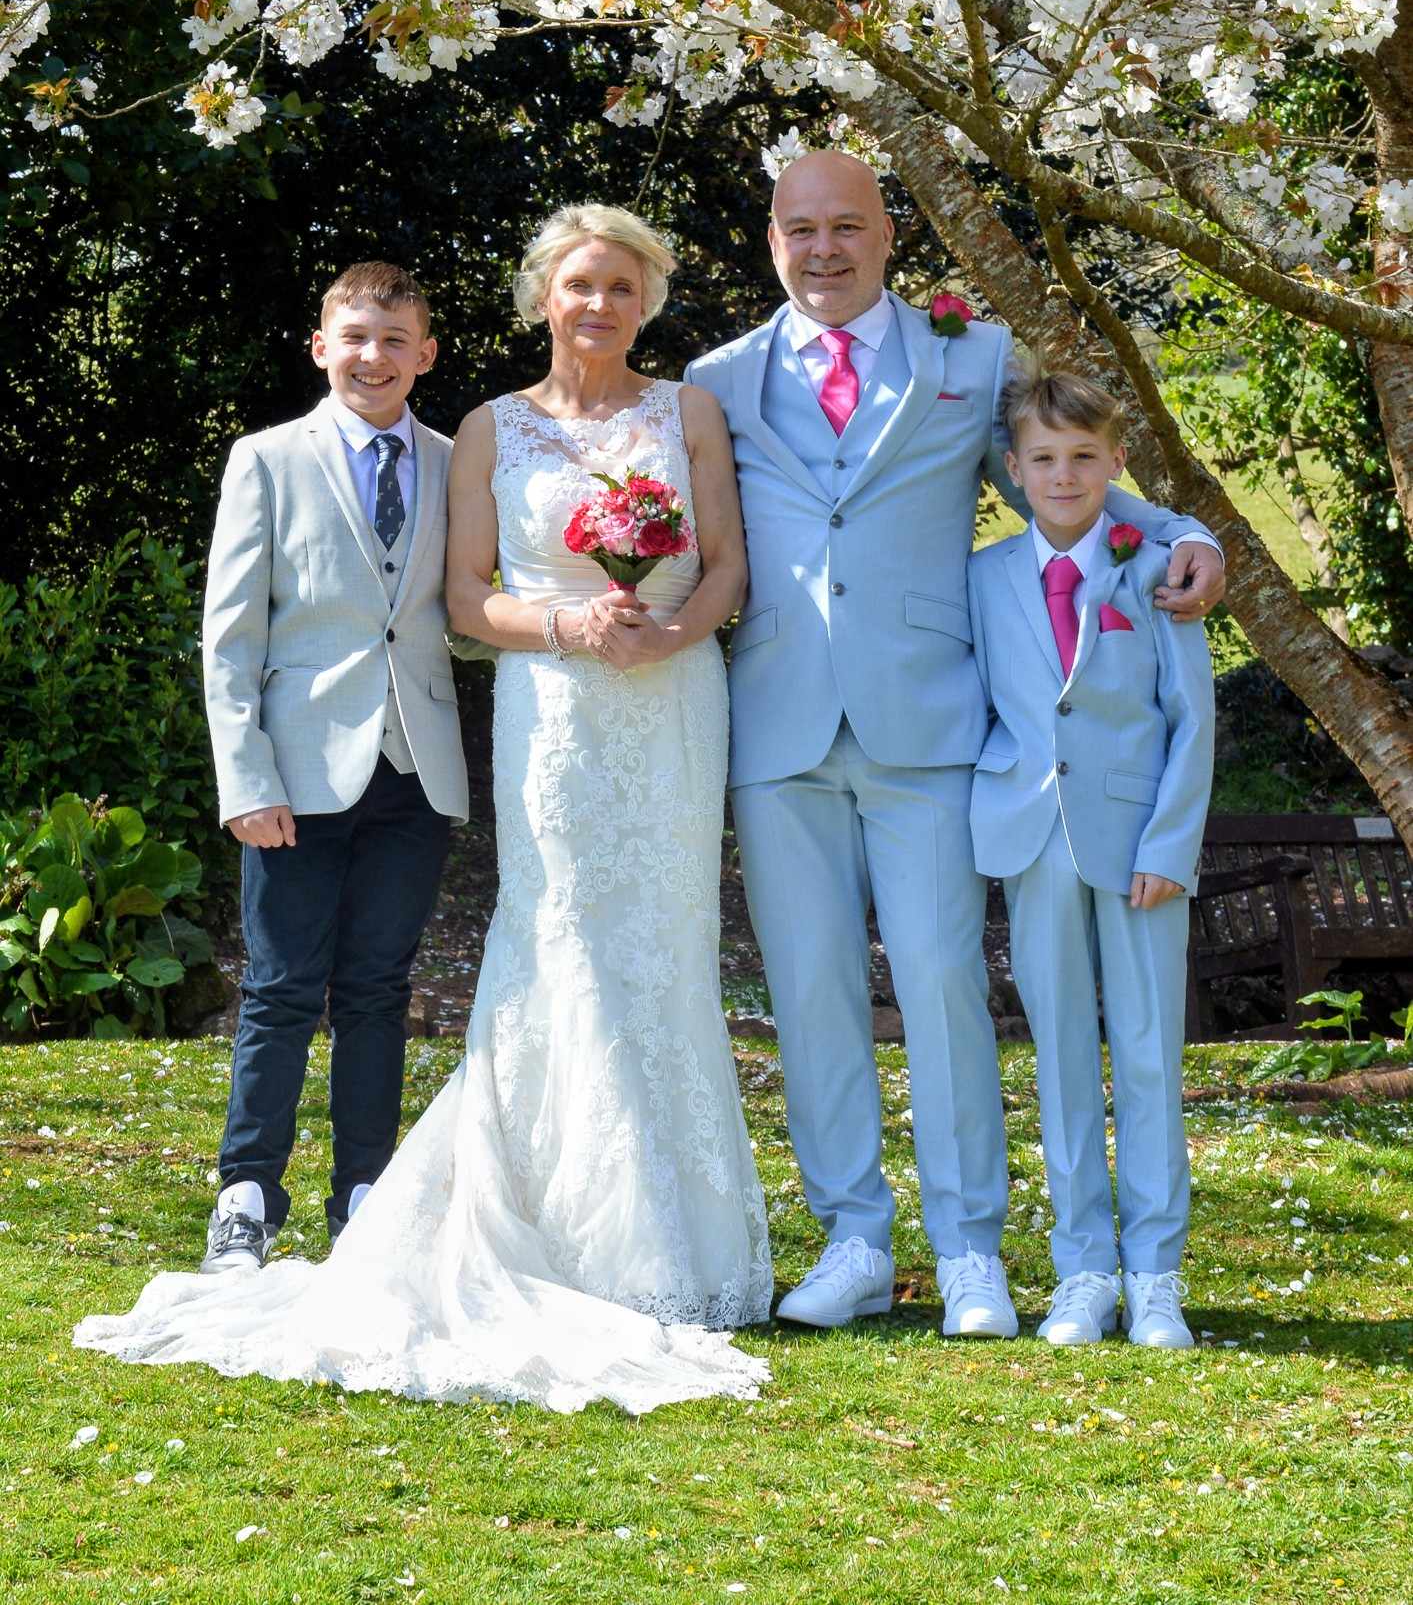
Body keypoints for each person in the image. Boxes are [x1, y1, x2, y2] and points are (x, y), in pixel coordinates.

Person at [75, 209, 771, 1414]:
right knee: (376, 969)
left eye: (619, 286)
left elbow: (722, 563)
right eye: (577, 285)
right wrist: (565, 624)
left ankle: (586, 1218)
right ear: (540, 299)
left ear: (645, 300)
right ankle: (256, 1194)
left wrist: (668, 629)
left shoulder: (655, 417)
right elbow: (432, 601)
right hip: (505, 717)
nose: (596, 304)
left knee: (620, 954)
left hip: (643, 709)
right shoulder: (458, 439)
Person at [683, 149, 1225, 1337]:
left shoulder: (969, 359)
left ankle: (968, 1245)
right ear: (770, 239)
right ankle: (855, 1237)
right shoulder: (715, 380)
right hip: (776, 724)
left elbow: (1063, 474)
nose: (822, 249)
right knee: (812, 988)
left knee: (940, 981)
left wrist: (1185, 532)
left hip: (929, 719)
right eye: (797, 229)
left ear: (888, 234)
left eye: (846, 226)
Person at [208, 261, 467, 1266]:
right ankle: (245, 1194)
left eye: (395, 339)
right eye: (355, 336)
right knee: (279, 984)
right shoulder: (266, 459)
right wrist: (247, 776)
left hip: (416, 768)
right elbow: (230, 635)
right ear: (321, 345)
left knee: (377, 986)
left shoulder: (455, 461)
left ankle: (364, 1188)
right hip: (297, 772)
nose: (374, 356)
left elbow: (468, 607)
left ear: (425, 354)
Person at [967, 370, 1214, 1347]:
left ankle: (1157, 1272)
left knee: (1149, 1053)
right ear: (1014, 472)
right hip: (1032, 842)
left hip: (1138, 845)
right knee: (1062, 1058)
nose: (1062, 474)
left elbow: (1191, 718)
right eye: (1043, 459)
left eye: (1083, 457)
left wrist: (1171, 844)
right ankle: (1083, 1270)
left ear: (1116, 464)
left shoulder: (1155, 566)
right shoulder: (986, 576)